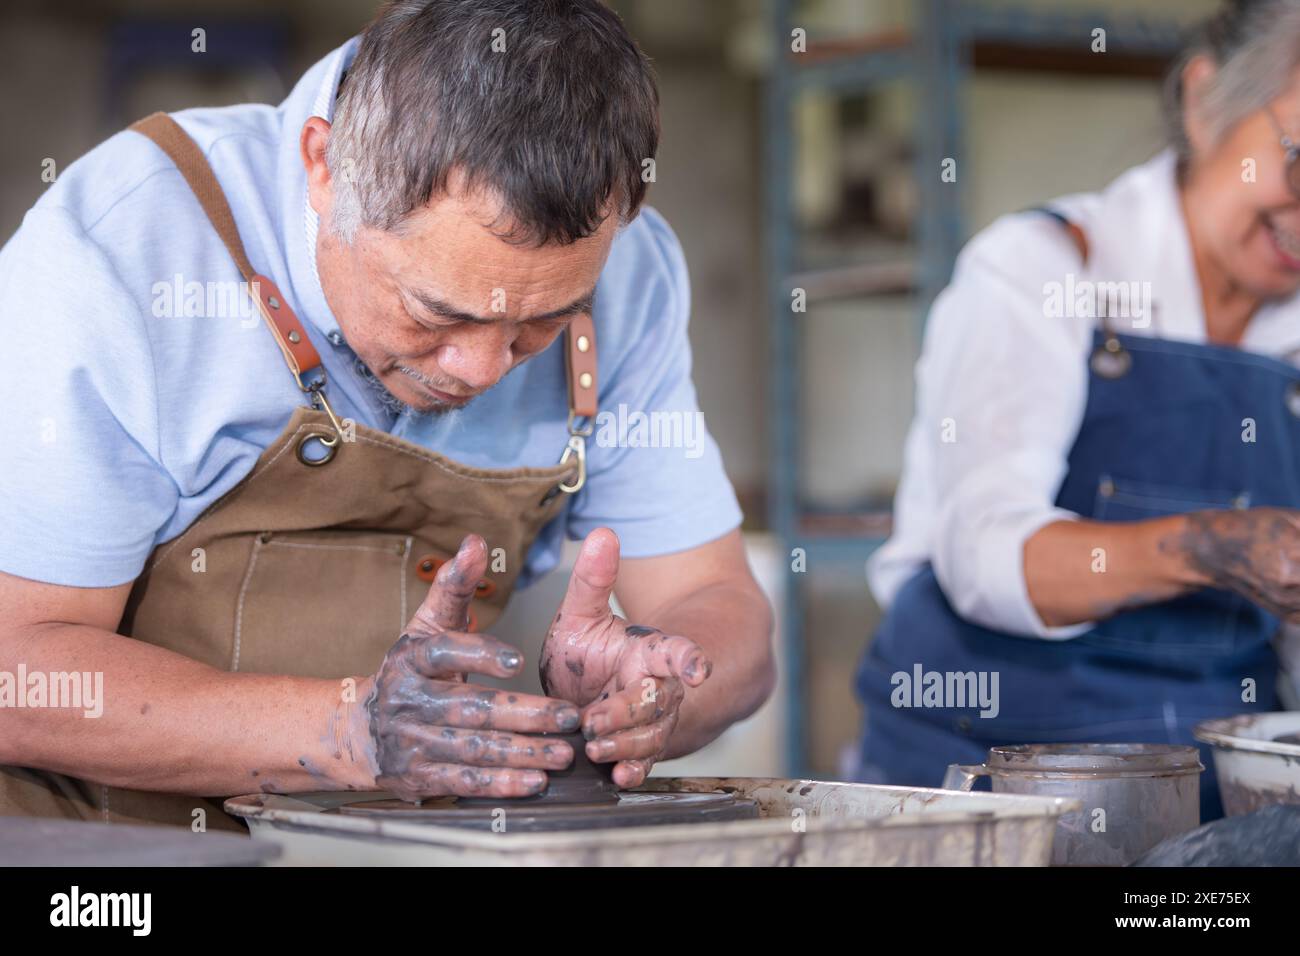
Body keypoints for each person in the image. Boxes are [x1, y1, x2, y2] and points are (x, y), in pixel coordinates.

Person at [0, 0, 774, 830]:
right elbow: (18, 672)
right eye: (435, 314)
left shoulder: (635, 279)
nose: (479, 370)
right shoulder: (122, 254)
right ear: (325, 167)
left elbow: (723, 610)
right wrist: (349, 731)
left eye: (541, 325)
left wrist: (652, 690)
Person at [855, 0, 1300, 819]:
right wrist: (1208, 547)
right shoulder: (1046, 272)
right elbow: (988, 557)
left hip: (1206, 798)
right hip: (987, 786)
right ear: (1206, 104)